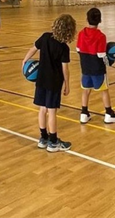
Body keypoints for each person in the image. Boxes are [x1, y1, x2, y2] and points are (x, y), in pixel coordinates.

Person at [22, 14, 76, 152]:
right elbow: (65, 69)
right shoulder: (64, 48)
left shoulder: (45, 37)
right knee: (52, 112)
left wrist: (24, 61)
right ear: (70, 31)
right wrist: (67, 84)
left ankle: (43, 138)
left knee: (42, 109)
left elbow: (33, 48)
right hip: (54, 83)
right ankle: (53, 142)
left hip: (41, 80)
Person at [77, 8, 115, 124]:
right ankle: (108, 113)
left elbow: (78, 49)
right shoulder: (101, 36)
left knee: (86, 90)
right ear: (100, 20)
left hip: (85, 67)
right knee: (104, 90)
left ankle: (84, 113)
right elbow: (101, 54)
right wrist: (110, 62)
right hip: (97, 68)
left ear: (87, 19)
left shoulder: (81, 33)